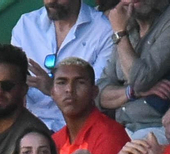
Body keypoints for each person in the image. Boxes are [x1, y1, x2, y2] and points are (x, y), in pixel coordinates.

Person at [10, 0, 116, 131]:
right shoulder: (26, 25)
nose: (51, 1)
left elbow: (95, 93)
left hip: (74, 127)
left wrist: (52, 89)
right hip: (28, 125)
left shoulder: (103, 30)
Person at [96, 0, 170, 137]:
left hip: (156, 127)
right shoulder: (127, 24)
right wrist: (131, 92)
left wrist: (120, 34)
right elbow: (98, 93)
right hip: (122, 126)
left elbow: (140, 80)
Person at [51, 58, 131, 154]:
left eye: (80, 82)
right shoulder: (56, 140)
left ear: (94, 92)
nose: (69, 89)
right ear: (52, 93)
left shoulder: (108, 135)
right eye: (62, 82)